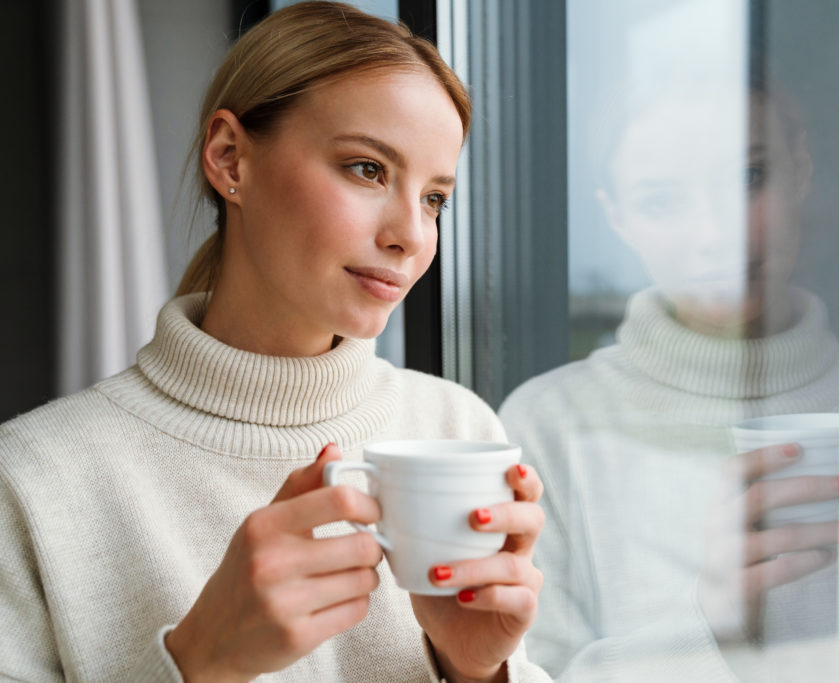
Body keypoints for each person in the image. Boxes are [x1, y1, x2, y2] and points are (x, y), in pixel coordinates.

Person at [0, 3, 549, 681]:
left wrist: (477, 671)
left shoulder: (458, 428)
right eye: (368, 169)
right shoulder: (31, 482)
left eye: (435, 198)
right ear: (230, 158)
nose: (412, 232)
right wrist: (200, 661)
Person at [499, 4, 839, 679]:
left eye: (748, 178)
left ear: (800, 170)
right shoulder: (549, 425)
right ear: (617, 217)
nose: (717, 234)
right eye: (662, 200)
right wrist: (711, 616)